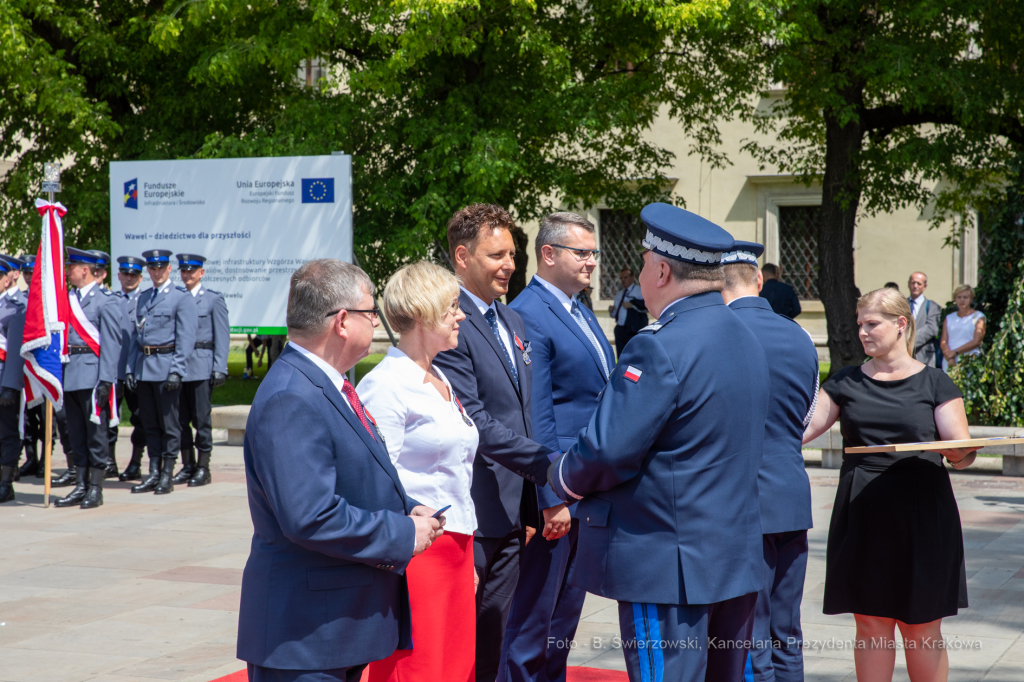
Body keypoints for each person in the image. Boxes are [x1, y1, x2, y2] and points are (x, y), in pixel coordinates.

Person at [548, 202, 770, 682]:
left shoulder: (660, 344)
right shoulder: (745, 335)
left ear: (663, 270)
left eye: (646, 263)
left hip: (667, 562)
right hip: (733, 556)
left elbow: (607, 448)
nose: (643, 273)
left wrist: (560, 476)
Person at [237, 259, 444, 682]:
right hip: (306, 636)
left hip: (334, 627)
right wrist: (403, 533)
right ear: (344, 322)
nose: (378, 323)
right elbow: (310, 516)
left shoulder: (327, 383)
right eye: (372, 314)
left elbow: (357, 470)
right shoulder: (291, 396)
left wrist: (409, 507)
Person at [803, 287, 978, 682]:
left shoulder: (935, 382)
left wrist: (959, 453)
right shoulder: (845, 382)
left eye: (872, 324)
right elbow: (802, 429)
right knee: (871, 624)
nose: (862, 332)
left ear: (901, 325)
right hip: (863, 512)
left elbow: (963, 454)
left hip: (922, 513)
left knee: (921, 627)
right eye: (860, 324)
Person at [432, 203, 558, 682]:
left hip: (514, 509)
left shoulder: (513, 322)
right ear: (462, 257)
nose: (509, 264)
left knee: (499, 632)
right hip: (475, 508)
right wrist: (548, 463)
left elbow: (528, 413)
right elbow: (475, 420)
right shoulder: (449, 322)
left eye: (512, 253)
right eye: (496, 254)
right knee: (468, 637)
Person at [503, 212, 614, 682]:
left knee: (562, 622)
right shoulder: (531, 312)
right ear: (548, 255)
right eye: (582, 252)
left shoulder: (575, 306)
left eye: (593, 252)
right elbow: (539, 412)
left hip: (584, 484)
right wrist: (553, 498)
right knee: (534, 623)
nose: (592, 262)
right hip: (559, 491)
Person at [359, 261, 479, 682]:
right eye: (451, 308)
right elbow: (375, 480)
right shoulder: (386, 385)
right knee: (417, 671)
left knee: (456, 668)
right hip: (416, 556)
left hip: (457, 548)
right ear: (424, 314)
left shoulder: (439, 375)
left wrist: (467, 556)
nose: (460, 315)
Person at [722, 242, 818, 682]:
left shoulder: (719, 333)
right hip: (791, 493)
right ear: (759, 281)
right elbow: (805, 416)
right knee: (786, 631)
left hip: (741, 501)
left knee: (749, 634)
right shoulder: (799, 335)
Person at [125, 249, 197, 496]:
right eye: (152, 269)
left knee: (170, 424)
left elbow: (185, 339)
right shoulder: (144, 298)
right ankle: (153, 472)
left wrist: (177, 370)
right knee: (150, 424)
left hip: (166, 368)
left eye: (160, 268)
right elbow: (137, 337)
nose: (155, 273)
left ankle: (167, 472)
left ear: (168, 269)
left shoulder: (180, 297)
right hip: (145, 369)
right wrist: (131, 369)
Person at [54, 247, 121, 509]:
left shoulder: (107, 301)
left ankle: (95, 487)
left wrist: (106, 379)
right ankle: (80, 485)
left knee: (96, 434)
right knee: (75, 432)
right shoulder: (66, 299)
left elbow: (111, 344)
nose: (68, 269)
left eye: (72, 266)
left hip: (93, 375)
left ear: (86, 270)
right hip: (70, 374)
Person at [173, 254, 229, 487]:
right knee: (180, 419)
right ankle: (188, 465)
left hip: (202, 366)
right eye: (184, 271)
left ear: (201, 273)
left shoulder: (212, 300)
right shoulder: (176, 298)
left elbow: (222, 335)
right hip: (179, 367)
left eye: (192, 271)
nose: (187, 275)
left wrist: (219, 367)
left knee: (201, 420)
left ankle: (203, 468)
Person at [114, 256, 148, 481]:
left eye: (133, 275)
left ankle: (135, 462)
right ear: (119, 276)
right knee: (108, 419)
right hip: (113, 370)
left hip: (136, 370)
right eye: (125, 274)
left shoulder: (145, 301)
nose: (129, 278)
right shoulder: (110, 300)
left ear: (140, 277)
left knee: (140, 418)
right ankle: (108, 461)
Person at [0, 306, 26, 503]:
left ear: (7, 279)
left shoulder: (14, 308)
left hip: (2, 379)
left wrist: (9, 385)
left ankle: (6, 484)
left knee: (6, 432)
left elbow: (15, 348)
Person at [940, 284, 986, 372]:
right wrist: (950, 358)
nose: (962, 300)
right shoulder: (949, 318)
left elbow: (977, 341)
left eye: (965, 297)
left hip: (969, 360)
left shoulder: (979, 317)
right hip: (950, 361)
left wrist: (955, 352)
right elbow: (943, 341)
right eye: (959, 297)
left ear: (971, 299)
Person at [607, 267, 647, 357]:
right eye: (621, 278)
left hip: (634, 329)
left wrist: (633, 304)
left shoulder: (639, 291)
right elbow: (615, 315)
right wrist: (612, 311)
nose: (623, 280)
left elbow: (647, 306)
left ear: (632, 278)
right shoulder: (619, 294)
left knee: (634, 355)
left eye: (625, 277)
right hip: (620, 329)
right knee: (621, 355)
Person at [907, 271, 941, 366]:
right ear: (908, 284)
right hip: (903, 357)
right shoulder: (901, 304)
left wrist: (908, 342)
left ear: (925, 286)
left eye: (919, 283)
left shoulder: (932, 306)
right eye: (913, 282)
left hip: (924, 357)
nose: (915, 286)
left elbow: (932, 328)